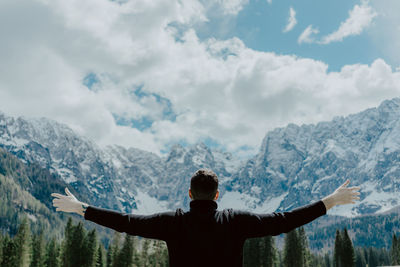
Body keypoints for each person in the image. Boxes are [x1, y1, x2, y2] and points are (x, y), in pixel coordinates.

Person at [51, 168, 360, 267]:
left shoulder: (172, 222)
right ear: (216, 195)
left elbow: (127, 222)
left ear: (189, 194)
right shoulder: (236, 220)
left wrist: (83, 209)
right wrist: (330, 201)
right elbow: (284, 220)